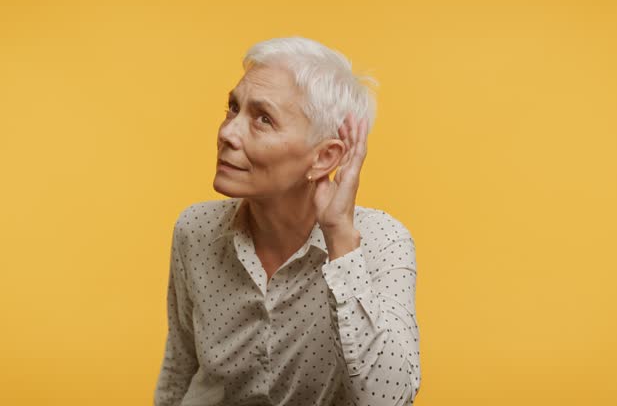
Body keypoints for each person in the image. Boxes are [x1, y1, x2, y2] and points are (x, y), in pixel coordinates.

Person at [154, 36, 421, 405]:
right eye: (233, 108)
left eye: (263, 119)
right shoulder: (194, 230)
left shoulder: (382, 242)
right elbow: (179, 367)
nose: (227, 133)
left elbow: (389, 399)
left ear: (324, 158)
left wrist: (340, 239)